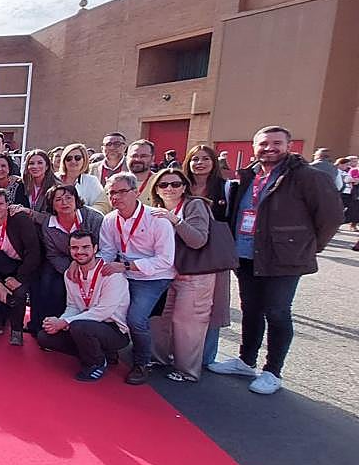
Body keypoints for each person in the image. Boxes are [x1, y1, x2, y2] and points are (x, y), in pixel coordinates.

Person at [208, 126, 343, 394]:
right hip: (247, 254)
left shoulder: (306, 177)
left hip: (283, 258)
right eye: (263, 144)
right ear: (254, 147)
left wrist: (307, 246)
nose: (269, 148)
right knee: (251, 309)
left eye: (276, 143)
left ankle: (273, 371)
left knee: (278, 312)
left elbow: (331, 217)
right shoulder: (250, 175)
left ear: (288, 145)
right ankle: (246, 361)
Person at [97, 172, 176, 385]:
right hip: (123, 271)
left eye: (122, 191)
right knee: (107, 308)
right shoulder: (109, 219)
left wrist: (125, 266)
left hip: (153, 277)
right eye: (112, 193)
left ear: (136, 192)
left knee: (135, 319)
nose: (116, 197)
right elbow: (106, 251)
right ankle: (110, 349)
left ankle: (142, 363)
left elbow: (165, 260)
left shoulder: (158, 219)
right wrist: (91, 268)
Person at [146, 168, 215, 382]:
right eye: (163, 185)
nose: (169, 188)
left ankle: (188, 370)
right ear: (156, 189)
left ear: (184, 186)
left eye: (175, 184)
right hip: (166, 273)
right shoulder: (155, 209)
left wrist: (175, 220)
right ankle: (159, 358)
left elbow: (198, 240)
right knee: (159, 319)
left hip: (194, 274)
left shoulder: (195, 205)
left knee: (187, 323)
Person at [37, 230, 131, 381]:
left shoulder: (112, 275)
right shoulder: (71, 274)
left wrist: (65, 322)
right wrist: (58, 322)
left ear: (95, 249)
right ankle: (100, 352)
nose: (80, 252)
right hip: (84, 323)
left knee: (80, 326)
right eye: (75, 248)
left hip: (113, 329)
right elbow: (72, 306)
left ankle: (97, 363)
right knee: (44, 336)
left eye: (85, 247)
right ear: (70, 250)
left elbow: (103, 312)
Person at [15, 184, 105, 335]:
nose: (64, 203)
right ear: (52, 205)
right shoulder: (48, 225)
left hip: (92, 260)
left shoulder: (94, 218)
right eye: (58, 199)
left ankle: (65, 326)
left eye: (68, 198)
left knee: (61, 288)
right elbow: (52, 254)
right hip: (62, 260)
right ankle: (41, 326)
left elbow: (103, 247)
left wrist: (81, 265)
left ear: (76, 200)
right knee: (44, 284)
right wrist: (70, 268)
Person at [183, 144, 235, 365]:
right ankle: (180, 352)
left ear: (214, 162)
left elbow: (233, 221)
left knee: (211, 306)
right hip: (183, 251)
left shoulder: (227, 189)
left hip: (212, 255)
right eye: (195, 159)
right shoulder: (179, 186)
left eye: (205, 159)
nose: (199, 163)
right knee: (181, 305)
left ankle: (206, 356)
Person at [0, 189, 41, 345]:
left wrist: (20, 278)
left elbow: (34, 252)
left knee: (19, 291)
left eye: (1, 204)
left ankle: (17, 330)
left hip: (29, 265)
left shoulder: (20, 220)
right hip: (5, 264)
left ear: (7, 205)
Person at [55, 143, 109, 213]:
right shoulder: (54, 178)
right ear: (64, 161)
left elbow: (102, 205)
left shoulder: (91, 181)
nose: (73, 161)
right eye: (69, 158)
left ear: (84, 160)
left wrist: (82, 214)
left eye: (77, 158)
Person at [125, 139, 157, 204]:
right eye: (134, 156)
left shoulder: (161, 182)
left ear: (152, 159)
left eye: (143, 156)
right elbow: (102, 205)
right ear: (126, 158)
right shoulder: (115, 181)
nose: (138, 159)